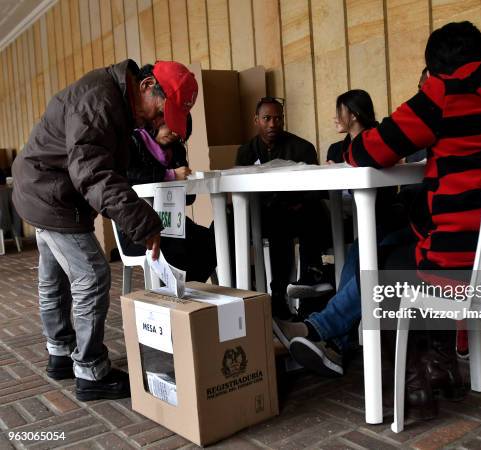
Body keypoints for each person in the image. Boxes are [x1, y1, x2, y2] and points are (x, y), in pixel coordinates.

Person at [277, 21, 481, 420]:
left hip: (472, 266)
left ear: (437, 69)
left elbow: (371, 150)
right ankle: (417, 362)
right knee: (391, 245)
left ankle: (413, 381)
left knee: (390, 268)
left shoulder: (446, 92)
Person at [11, 60, 198, 401]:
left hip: (40, 187)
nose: (159, 123)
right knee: (93, 275)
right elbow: (93, 173)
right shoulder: (101, 102)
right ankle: (90, 370)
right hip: (51, 194)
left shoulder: (115, 100)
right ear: (145, 86)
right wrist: (143, 222)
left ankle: (60, 353)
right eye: (161, 114)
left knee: (53, 277)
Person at [236, 97, 333, 319]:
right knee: (256, 220)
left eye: (278, 118)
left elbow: (313, 190)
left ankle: (308, 285)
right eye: (267, 118)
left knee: (310, 211)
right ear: (256, 120)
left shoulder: (302, 148)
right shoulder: (246, 152)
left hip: (298, 212)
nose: (273, 124)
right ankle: (265, 296)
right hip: (261, 216)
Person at [118, 115, 217, 282]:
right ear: (157, 121)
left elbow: (188, 200)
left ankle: (192, 293)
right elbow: (129, 176)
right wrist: (170, 175)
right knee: (177, 249)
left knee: (210, 242)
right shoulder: (133, 141)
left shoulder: (176, 149)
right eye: (171, 127)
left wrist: (185, 181)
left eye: (179, 133)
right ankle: (180, 297)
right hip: (137, 228)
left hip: (172, 223)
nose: (173, 134)